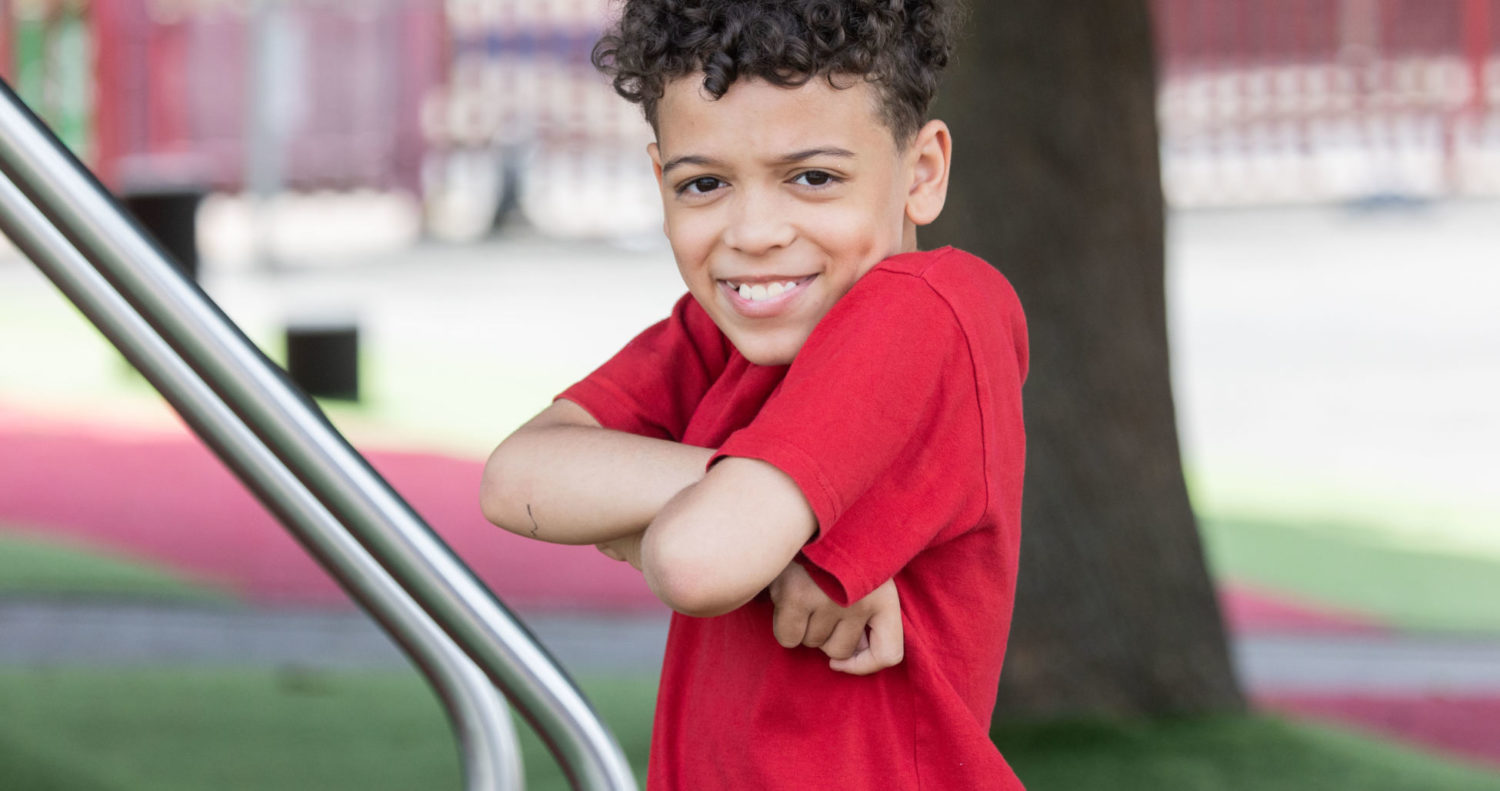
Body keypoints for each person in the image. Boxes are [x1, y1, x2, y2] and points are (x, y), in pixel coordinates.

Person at [480, 1, 1028, 788]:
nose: (755, 231)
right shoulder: (722, 338)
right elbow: (517, 479)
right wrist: (779, 537)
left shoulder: (929, 310)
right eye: (703, 183)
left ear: (922, 172)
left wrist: (664, 512)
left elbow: (696, 558)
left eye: (813, 177)